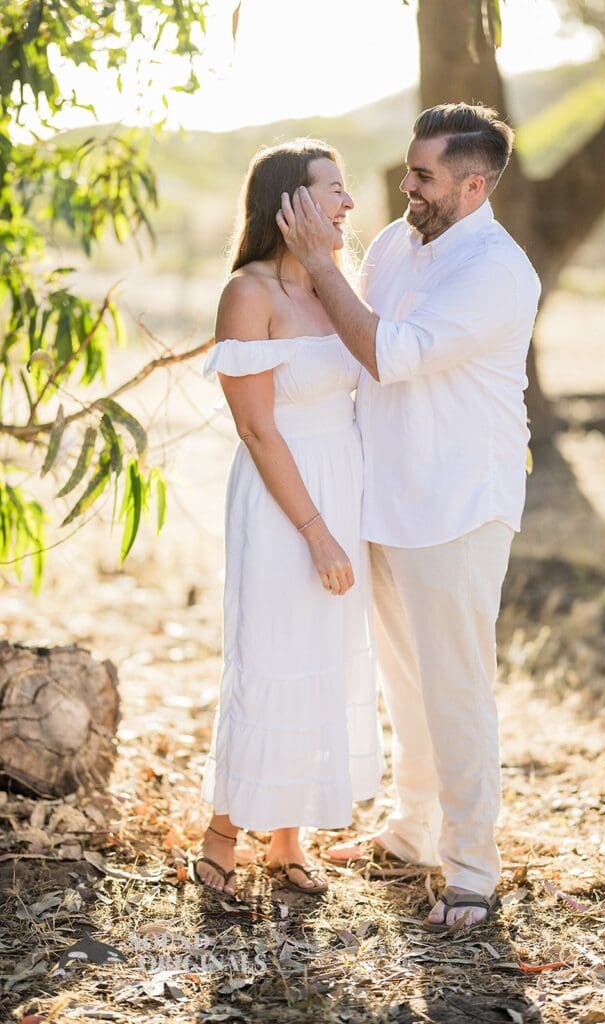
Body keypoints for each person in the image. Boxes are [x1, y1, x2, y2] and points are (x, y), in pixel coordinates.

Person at [276, 103, 541, 930]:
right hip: (385, 497)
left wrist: (321, 266)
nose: (405, 185)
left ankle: (469, 870)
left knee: (456, 689)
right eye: (407, 168)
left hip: (459, 505)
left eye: (423, 176)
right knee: (406, 683)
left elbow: (388, 354)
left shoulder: (495, 270)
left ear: (473, 183)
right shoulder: (395, 242)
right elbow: (345, 339)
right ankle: (413, 829)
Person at [192, 139, 383, 898]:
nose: (347, 203)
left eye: (344, 189)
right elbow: (258, 429)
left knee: (322, 656)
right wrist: (315, 530)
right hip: (284, 501)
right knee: (269, 657)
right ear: (289, 204)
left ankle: (287, 841)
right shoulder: (250, 293)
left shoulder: (336, 287)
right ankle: (219, 839)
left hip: (343, 483)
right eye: (331, 189)